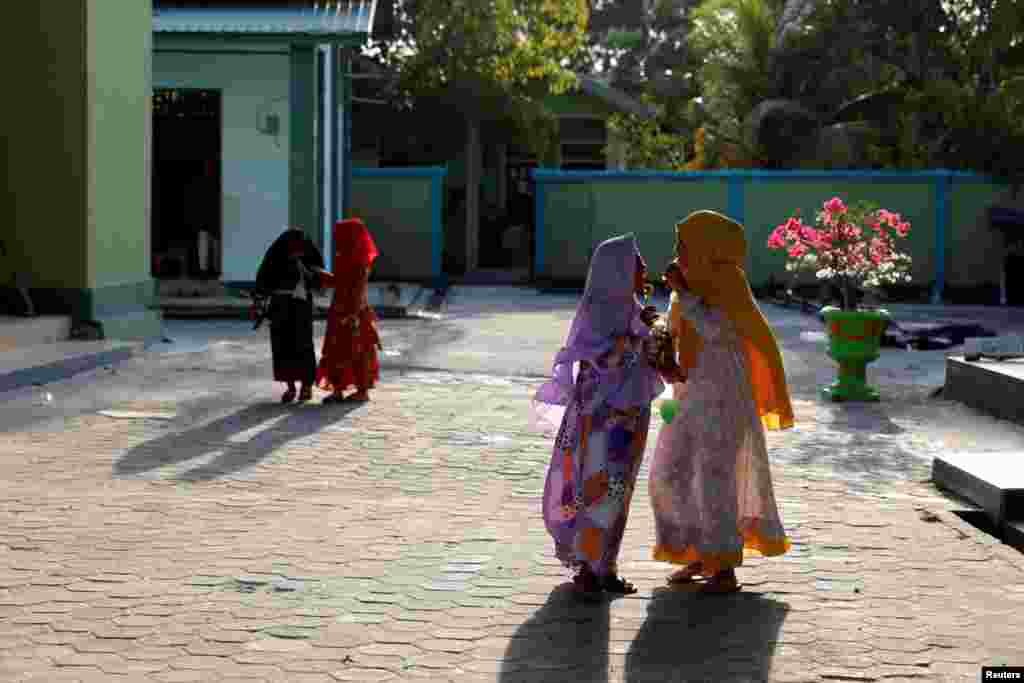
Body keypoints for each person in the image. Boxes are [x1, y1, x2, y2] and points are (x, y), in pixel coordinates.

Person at [649, 210, 794, 594]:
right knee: (669, 472)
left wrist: (686, 293)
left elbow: (718, 331)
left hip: (723, 393)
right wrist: (663, 347)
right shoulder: (689, 285)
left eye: (683, 244)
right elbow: (677, 328)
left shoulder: (728, 280)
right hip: (687, 393)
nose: (677, 252)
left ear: (705, 246)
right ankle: (698, 551)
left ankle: (724, 567)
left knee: (713, 477)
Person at [532, 234, 664, 599]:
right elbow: (602, 362)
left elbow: (645, 360)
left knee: (619, 492)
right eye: (637, 261)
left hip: (630, 420)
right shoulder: (601, 311)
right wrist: (639, 335)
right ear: (617, 270)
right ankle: (590, 568)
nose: (644, 268)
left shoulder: (635, 309)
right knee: (598, 488)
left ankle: (604, 566)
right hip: (603, 424)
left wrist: (656, 341)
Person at [254, 225, 325, 404]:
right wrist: (260, 301)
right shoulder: (276, 257)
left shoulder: (307, 258)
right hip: (281, 305)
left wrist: (304, 270)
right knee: (282, 346)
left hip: (301, 305)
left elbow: (319, 279)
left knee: (303, 344)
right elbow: (264, 280)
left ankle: (306, 386)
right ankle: (291, 387)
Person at [316, 218, 382, 404]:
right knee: (335, 351)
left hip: (353, 312)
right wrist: (321, 275)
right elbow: (339, 282)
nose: (337, 239)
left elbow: (359, 288)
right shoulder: (342, 256)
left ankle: (362, 391)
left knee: (357, 352)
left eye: (341, 236)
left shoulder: (360, 260)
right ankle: (337, 390)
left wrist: (353, 315)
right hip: (338, 310)